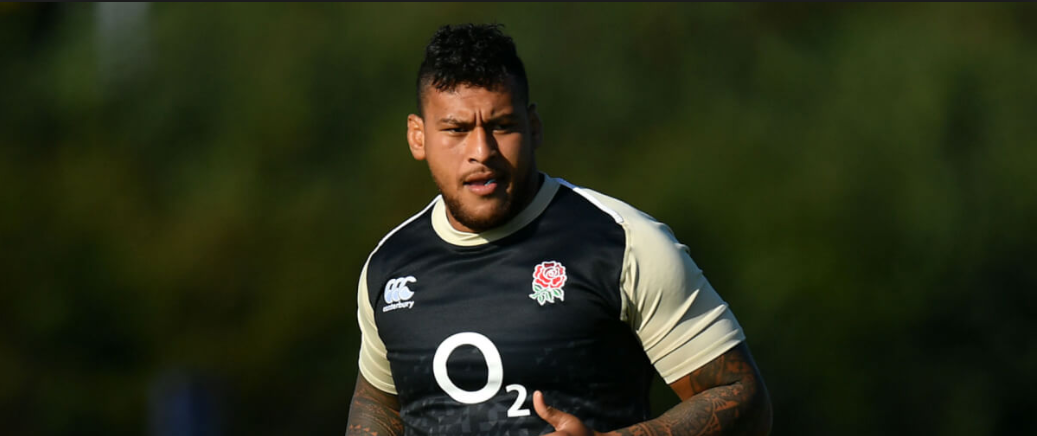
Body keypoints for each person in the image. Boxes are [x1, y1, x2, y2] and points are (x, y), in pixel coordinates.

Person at [346, 23, 772, 436]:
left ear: (533, 127)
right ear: (418, 137)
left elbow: (744, 398)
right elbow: (378, 407)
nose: (481, 151)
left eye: (502, 126)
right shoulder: (389, 265)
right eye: (456, 130)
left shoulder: (622, 242)